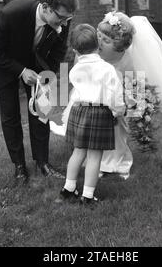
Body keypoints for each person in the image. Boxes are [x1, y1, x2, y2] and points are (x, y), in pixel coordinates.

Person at [51, 12, 162, 179]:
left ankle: (115, 162)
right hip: (90, 96)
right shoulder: (90, 49)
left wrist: (132, 109)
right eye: (99, 36)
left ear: (121, 46)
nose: (99, 42)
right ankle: (88, 160)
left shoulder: (128, 58)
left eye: (106, 41)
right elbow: (79, 75)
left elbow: (134, 86)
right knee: (86, 129)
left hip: (116, 97)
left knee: (116, 129)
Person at [0, 0, 79, 185]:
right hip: (5, 64)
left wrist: (49, 76)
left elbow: (60, 50)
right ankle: (19, 166)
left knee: (42, 112)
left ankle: (42, 163)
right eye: (60, 18)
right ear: (45, 7)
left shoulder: (63, 16)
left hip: (38, 64)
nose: (63, 24)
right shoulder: (12, 13)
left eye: (67, 19)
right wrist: (20, 71)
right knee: (10, 115)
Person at [58, 24, 125, 205]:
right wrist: (119, 110)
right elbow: (114, 93)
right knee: (94, 156)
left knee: (78, 152)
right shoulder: (106, 68)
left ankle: (68, 189)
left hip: (78, 111)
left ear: (75, 50)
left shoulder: (75, 69)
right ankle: (87, 196)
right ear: (98, 46)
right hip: (99, 113)